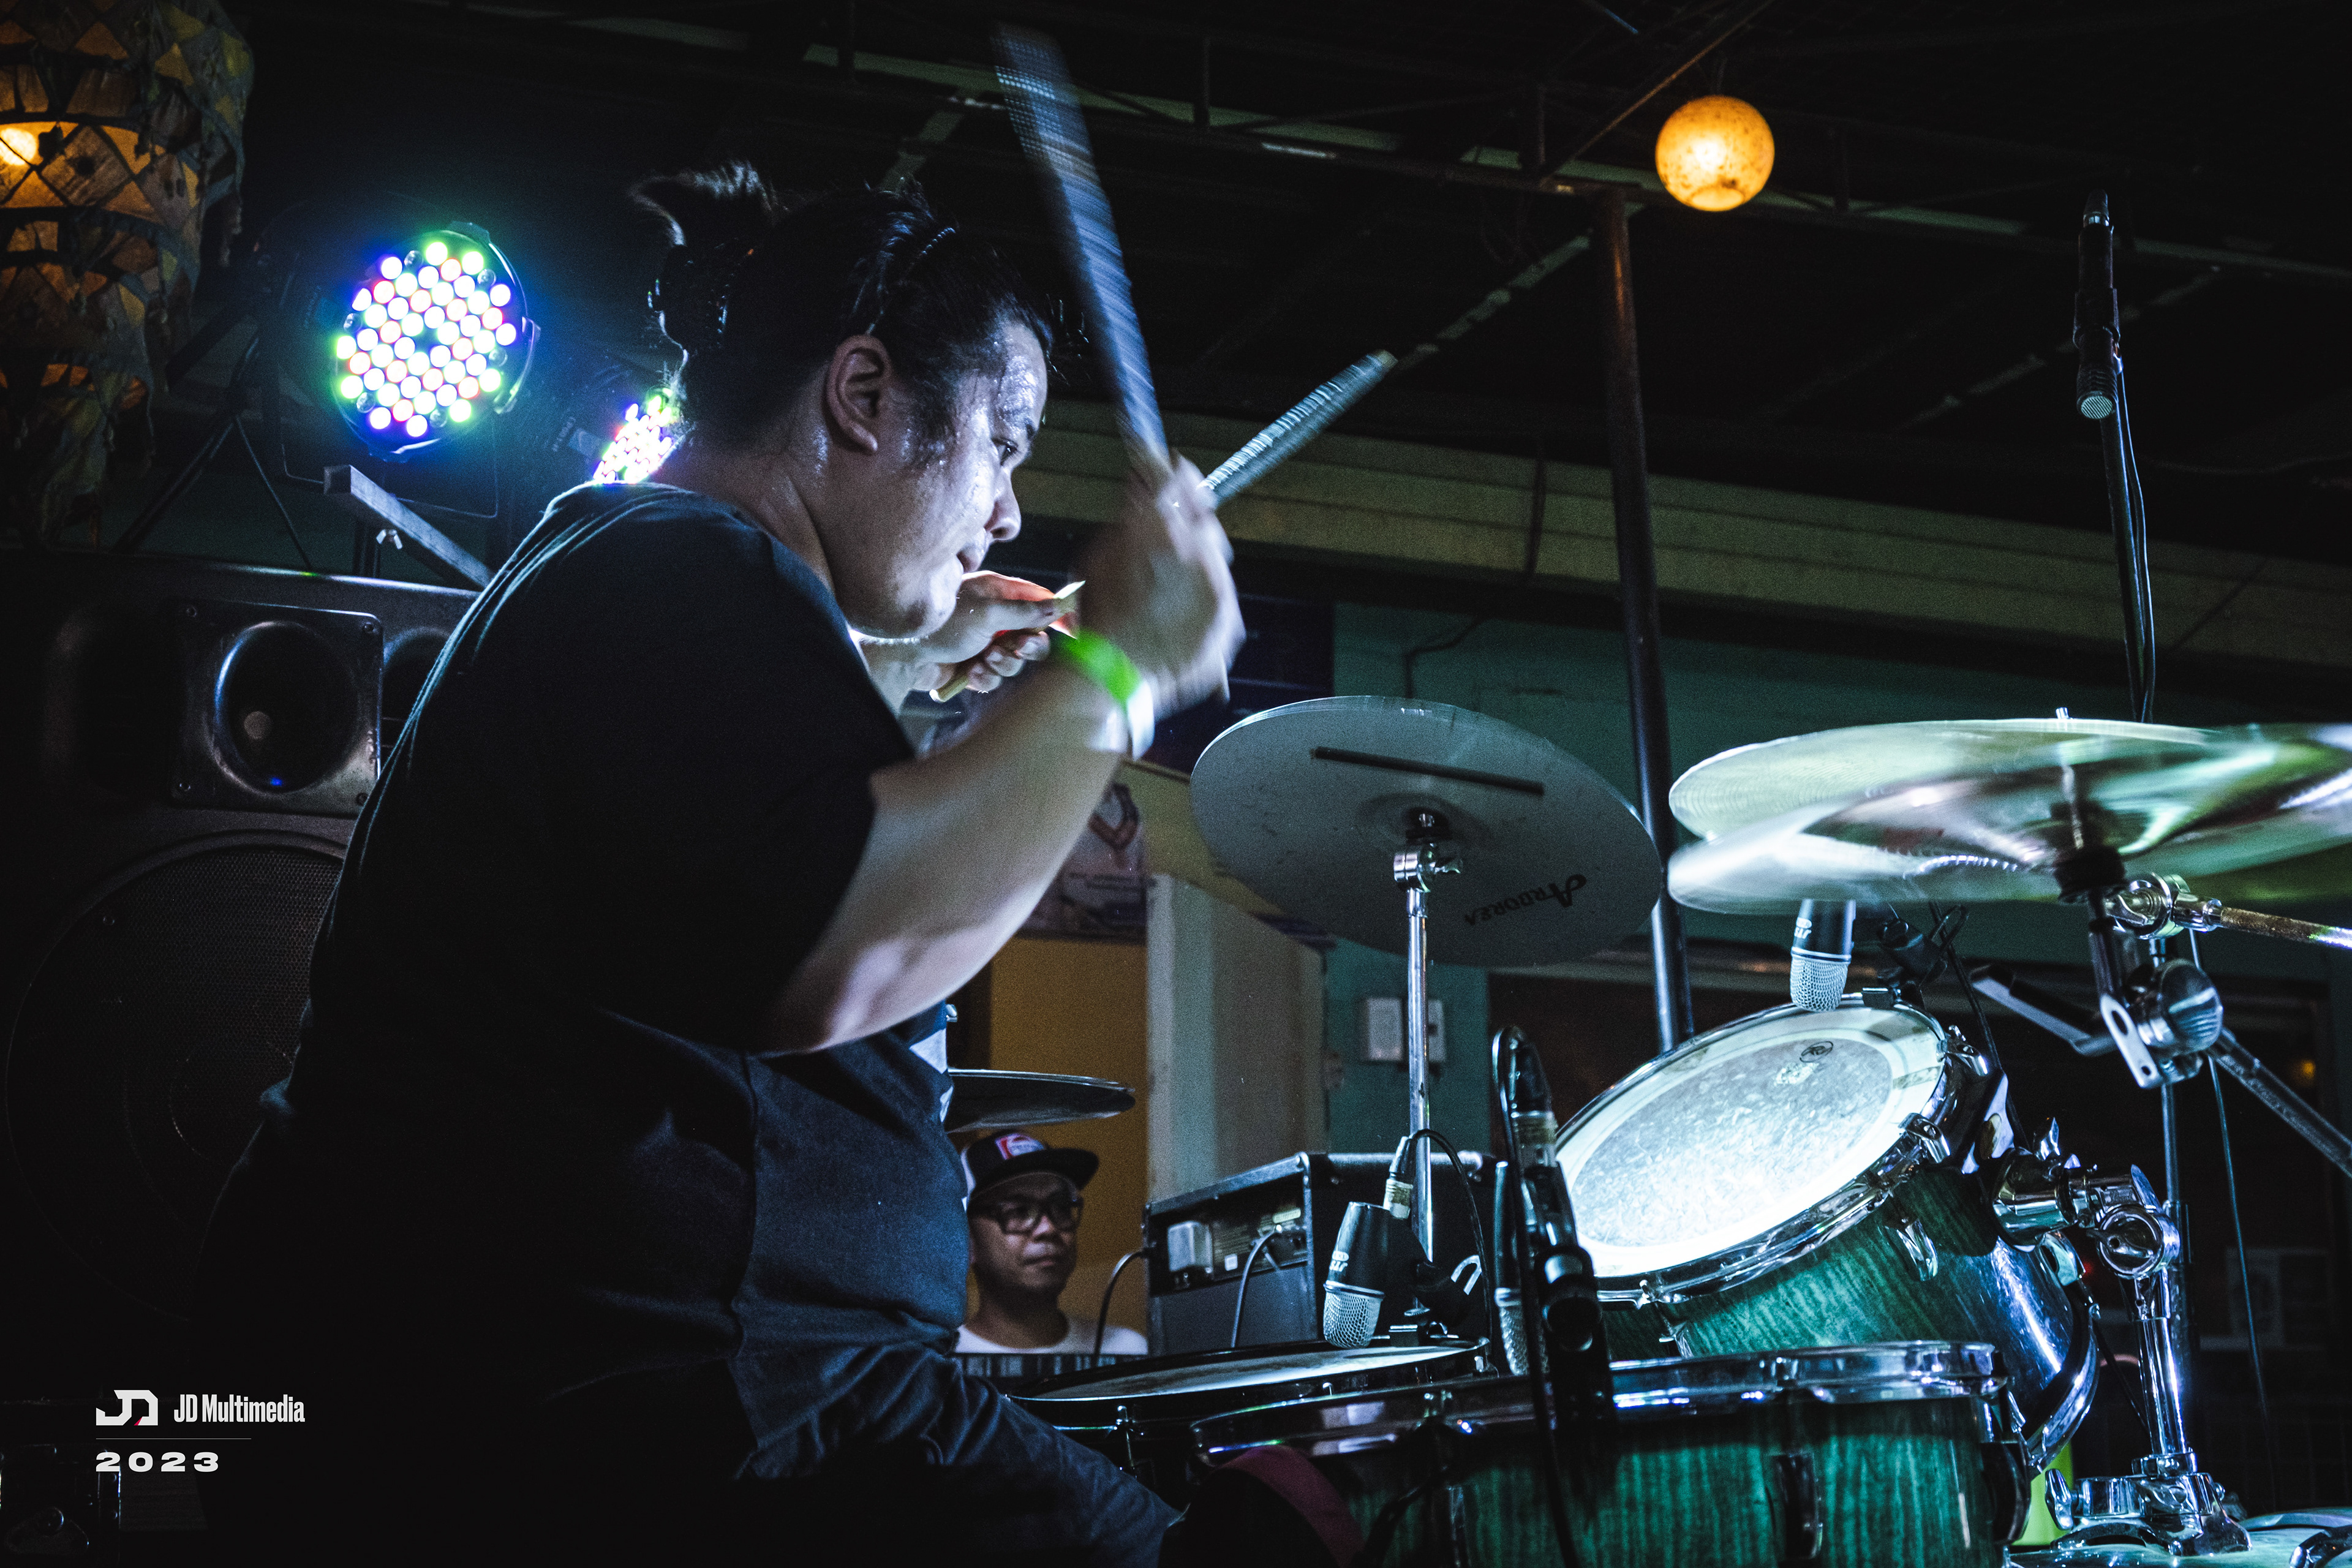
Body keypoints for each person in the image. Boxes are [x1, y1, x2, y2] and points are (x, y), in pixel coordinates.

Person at [194, 162, 1242, 1565]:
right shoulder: (672, 568)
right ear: (862, 394)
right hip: (663, 1405)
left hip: (673, 1385)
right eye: (1002, 444)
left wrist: (891, 663)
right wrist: (1116, 671)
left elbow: (730, 853)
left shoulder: (647, 570)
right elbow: (841, 943)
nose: (1005, 513)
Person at [956, 1131, 1148, 1356]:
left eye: (1061, 1208)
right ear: (966, 1239)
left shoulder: (1124, 1351)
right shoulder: (940, 1363)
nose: (1048, 1229)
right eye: (1019, 1211)